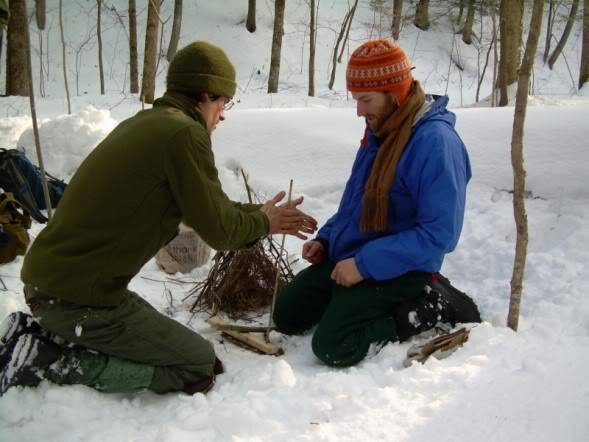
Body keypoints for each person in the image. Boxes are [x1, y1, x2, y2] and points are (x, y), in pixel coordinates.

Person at [0, 41, 317, 396]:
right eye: (224, 101)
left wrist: (257, 214)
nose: (224, 114)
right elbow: (222, 231)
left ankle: (36, 336)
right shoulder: (185, 135)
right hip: (77, 299)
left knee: (197, 358)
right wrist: (265, 223)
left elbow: (207, 207)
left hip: (58, 285)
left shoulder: (152, 123)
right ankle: (50, 363)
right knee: (196, 367)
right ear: (206, 94)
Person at [272, 39, 480, 368]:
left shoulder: (436, 144)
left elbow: (439, 235)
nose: (359, 111)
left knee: (334, 345)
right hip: (357, 254)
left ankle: (430, 304)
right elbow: (356, 203)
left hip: (403, 268)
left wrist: (364, 266)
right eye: (357, 100)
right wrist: (327, 239)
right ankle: (353, 300)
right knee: (285, 315)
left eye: (365, 100)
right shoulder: (380, 129)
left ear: (394, 92)